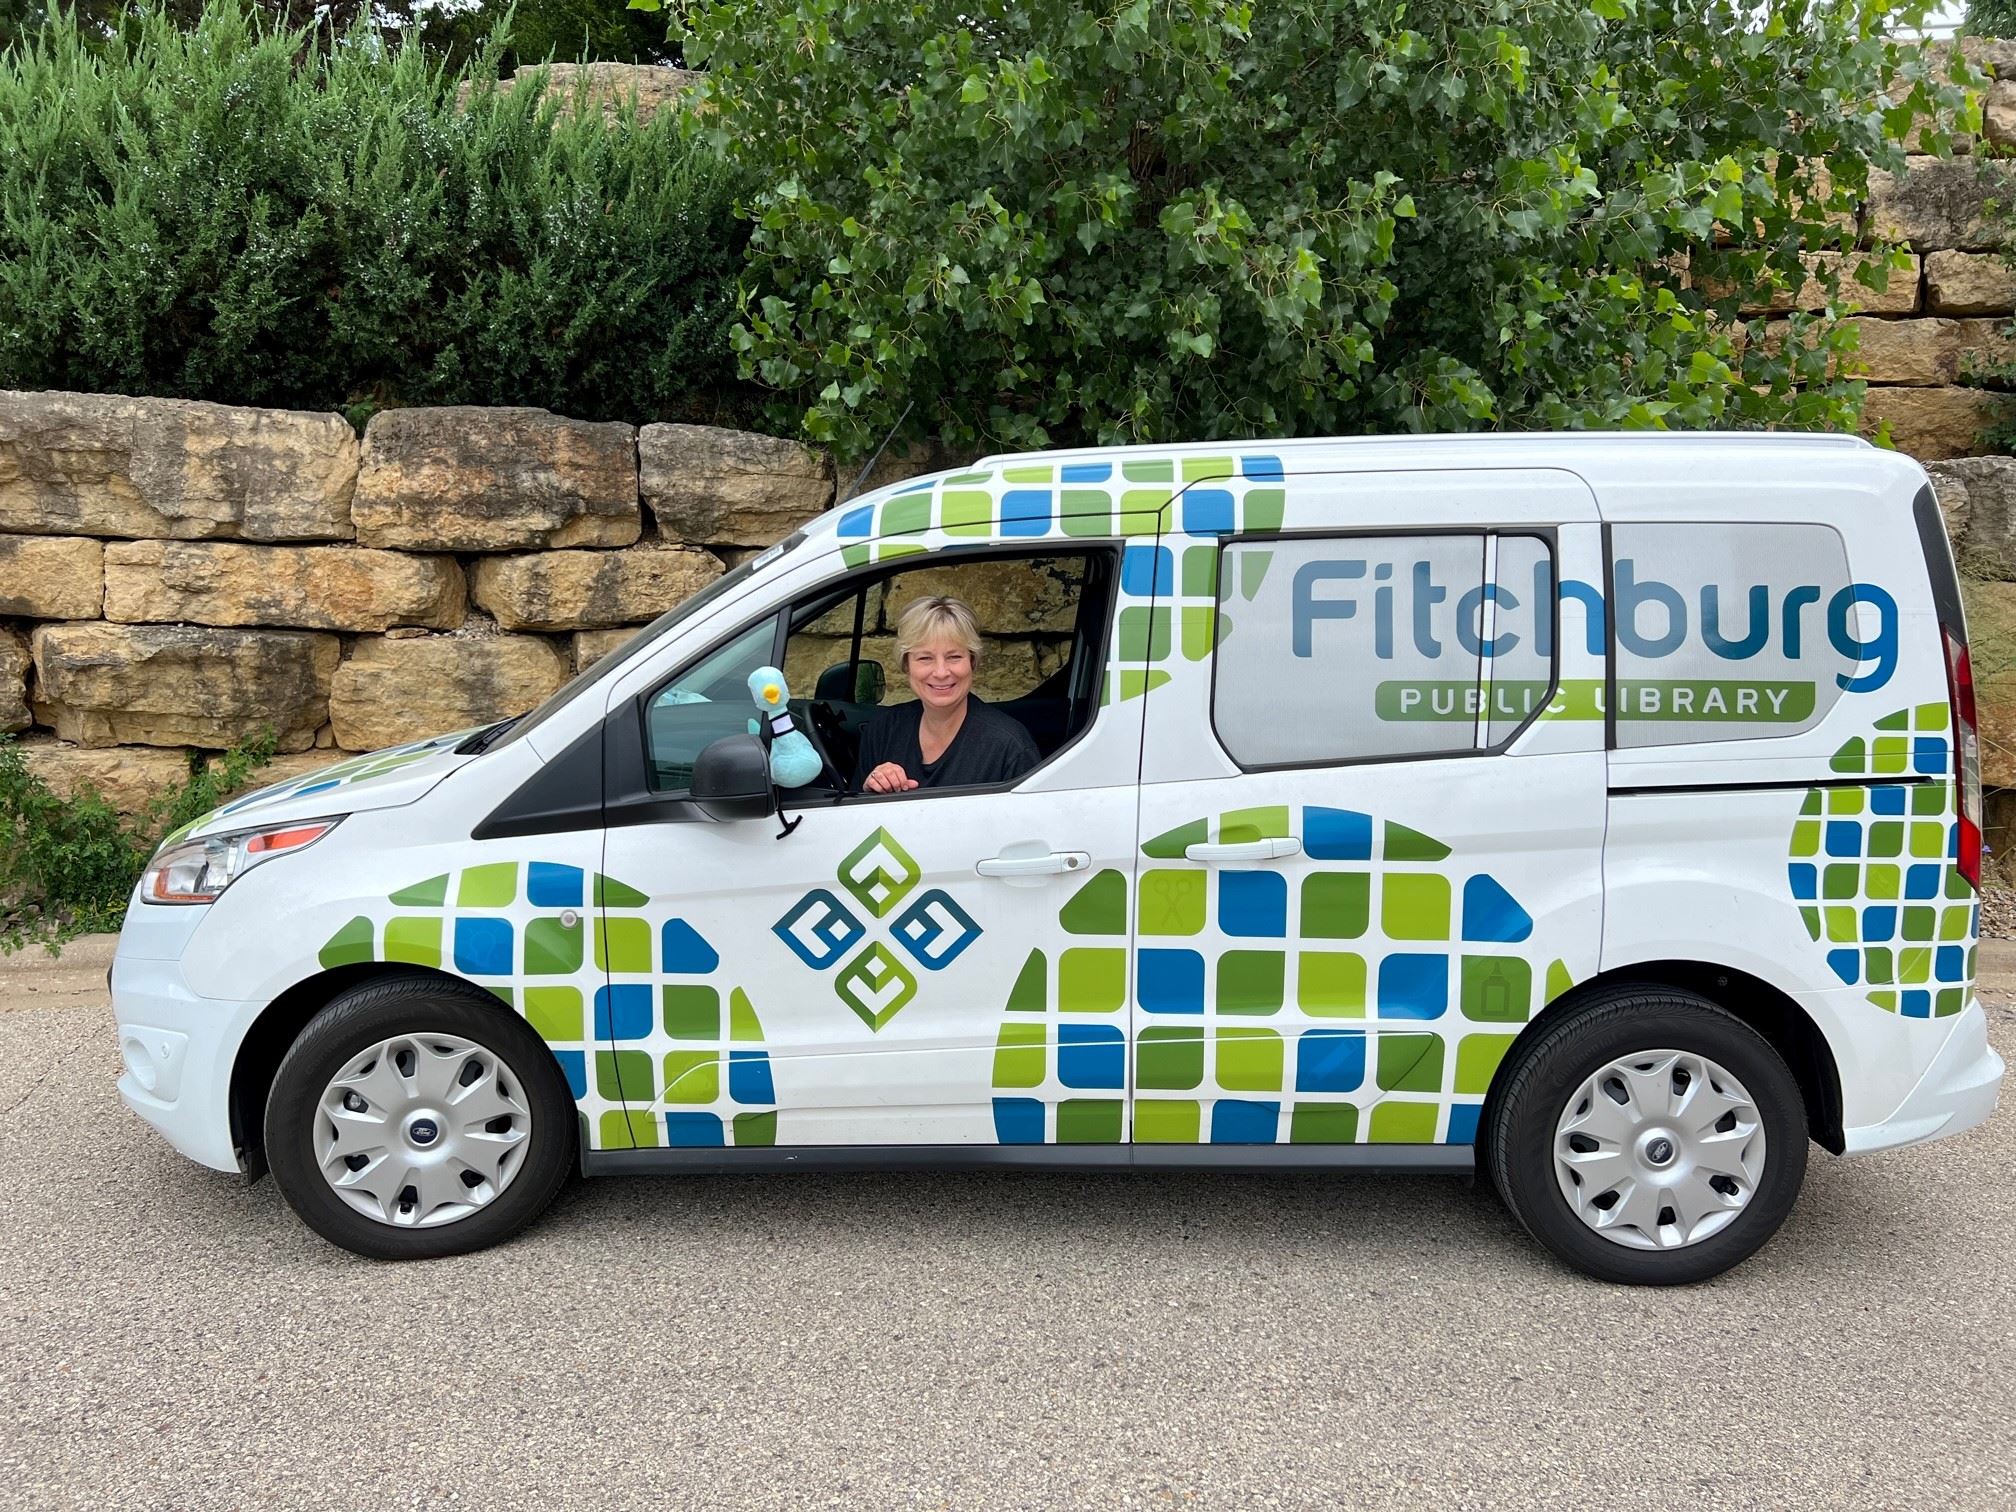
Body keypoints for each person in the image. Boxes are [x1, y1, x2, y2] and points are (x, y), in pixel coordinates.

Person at [853, 595, 1041, 793]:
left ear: (972, 662)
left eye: (954, 657)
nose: (941, 672)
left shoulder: (1010, 747)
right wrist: (871, 789)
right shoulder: (883, 730)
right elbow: (854, 810)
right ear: (906, 665)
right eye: (925, 658)